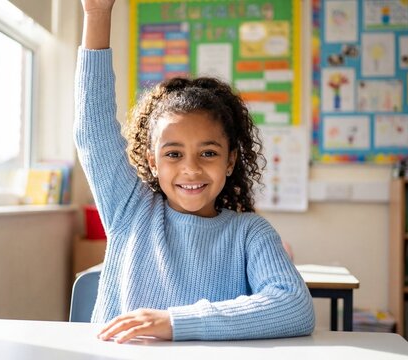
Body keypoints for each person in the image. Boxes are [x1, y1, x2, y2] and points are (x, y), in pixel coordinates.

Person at [75, 0, 315, 344]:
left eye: (208, 153)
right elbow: (92, 129)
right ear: (152, 161)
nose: (191, 168)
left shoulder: (249, 233)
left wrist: (175, 321)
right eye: (173, 153)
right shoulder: (130, 208)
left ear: (230, 161)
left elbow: (295, 306)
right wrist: (96, 14)